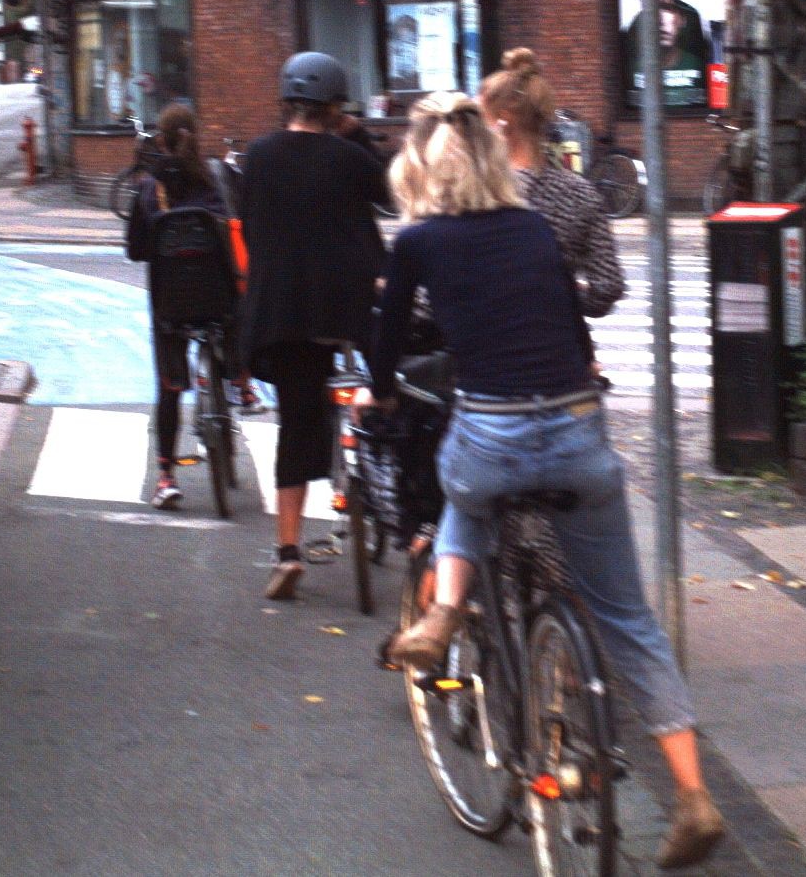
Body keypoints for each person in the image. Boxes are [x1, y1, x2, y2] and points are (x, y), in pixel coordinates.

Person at [374, 92, 724, 869]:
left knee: (463, 482)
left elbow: (388, 340)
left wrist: (380, 392)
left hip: (491, 437)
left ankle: (444, 611)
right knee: (628, 620)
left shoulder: (419, 241)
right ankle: (694, 795)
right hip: (576, 432)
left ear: (422, 167)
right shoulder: (534, 227)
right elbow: (571, 325)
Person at [239, 51, 389, 599]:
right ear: (336, 106)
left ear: (287, 101)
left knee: (296, 425)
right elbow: (391, 197)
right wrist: (358, 137)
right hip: (350, 306)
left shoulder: (258, 157)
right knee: (392, 389)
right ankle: (407, 513)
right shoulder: (350, 158)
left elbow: (250, 228)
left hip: (284, 313)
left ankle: (288, 551)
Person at [125, 103, 238, 510]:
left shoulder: (148, 189)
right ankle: (238, 381)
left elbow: (135, 251)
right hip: (217, 300)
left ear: (161, 140)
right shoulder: (214, 180)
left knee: (169, 388)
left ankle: (166, 477)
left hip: (170, 306)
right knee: (232, 314)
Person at [477, 47, 625, 319]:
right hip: (558, 336)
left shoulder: (477, 192)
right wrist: (563, 296)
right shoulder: (580, 192)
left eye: (481, 120)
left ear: (502, 119)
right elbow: (607, 287)